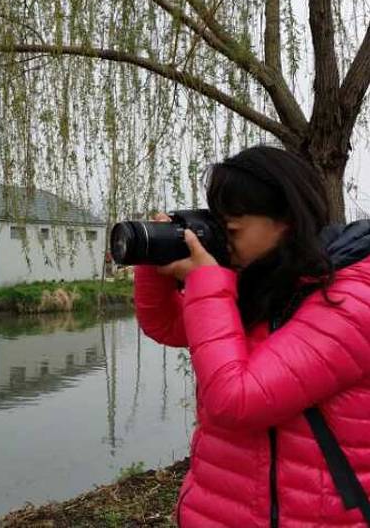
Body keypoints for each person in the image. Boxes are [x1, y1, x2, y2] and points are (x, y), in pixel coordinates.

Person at [134, 146, 370, 527]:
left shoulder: (350, 301)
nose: (223, 243)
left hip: (309, 516)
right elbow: (167, 325)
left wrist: (205, 281)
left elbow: (237, 399)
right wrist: (155, 259)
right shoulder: (268, 279)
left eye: (232, 231)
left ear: (286, 220)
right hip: (220, 509)